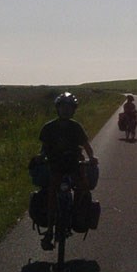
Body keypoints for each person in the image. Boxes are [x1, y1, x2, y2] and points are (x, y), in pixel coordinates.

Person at [38, 91, 97, 250]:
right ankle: (50, 231)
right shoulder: (49, 127)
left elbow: (86, 145)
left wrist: (92, 157)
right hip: (56, 164)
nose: (66, 110)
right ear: (58, 108)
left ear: (73, 110)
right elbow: (44, 148)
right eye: (63, 107)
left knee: (83, 187)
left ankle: (78, 213)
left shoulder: (76, 127)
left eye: (69, 108)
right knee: (51, 192)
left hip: (74, 164)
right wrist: (41, 156)